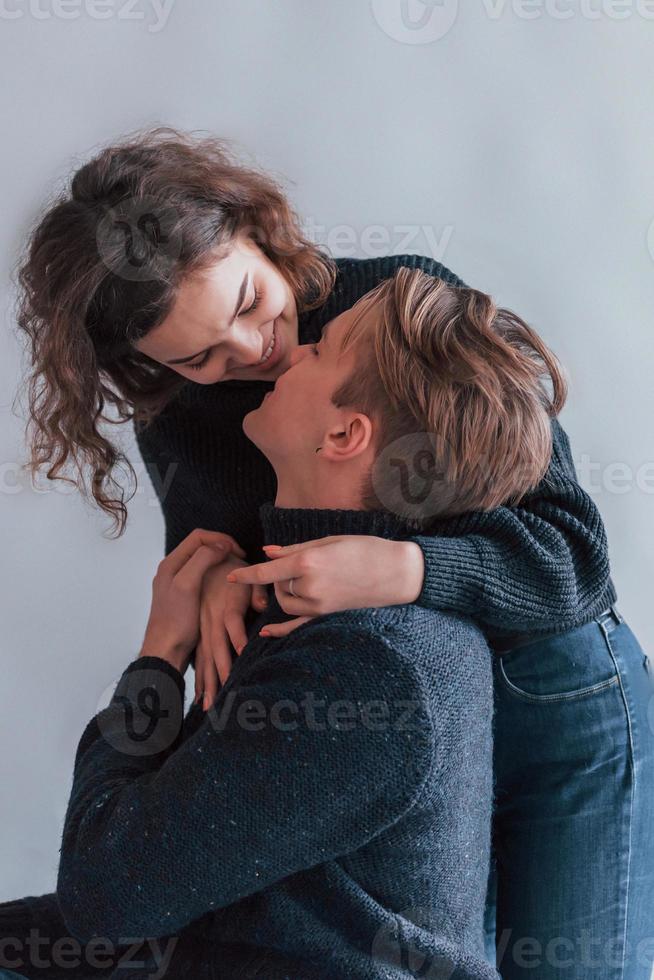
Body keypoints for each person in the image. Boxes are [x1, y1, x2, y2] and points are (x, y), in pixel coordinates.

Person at [8, 128, 654, 977]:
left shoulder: (391, 310)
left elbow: (573, 560)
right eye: (197, 356)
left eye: (246, 303)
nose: (252, 356)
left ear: (254, 227)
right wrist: (217, 589)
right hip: (392, 731)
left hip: (550, 691)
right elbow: (238, 572)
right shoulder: (186, 409)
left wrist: (408, 570)